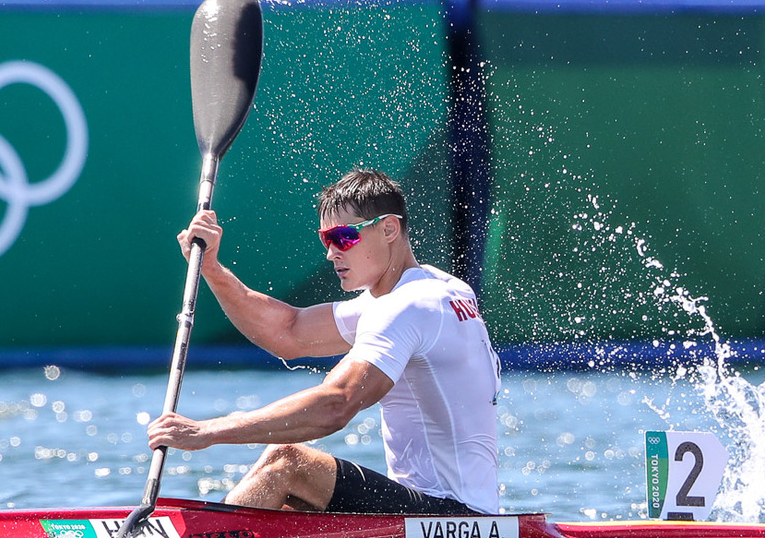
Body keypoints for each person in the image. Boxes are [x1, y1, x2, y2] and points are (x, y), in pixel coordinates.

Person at [147, 169, 501, 515]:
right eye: (326, 239)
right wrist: (212, 268)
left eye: (344, 237)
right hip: (453, 511)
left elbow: (336, 404)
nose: (332, 253)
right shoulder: (437, 290)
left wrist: (207, 430)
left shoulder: (407, 307)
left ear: (390, 228)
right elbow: (289, 330)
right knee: (285, 501)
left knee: (286, 461)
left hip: (452, 516)